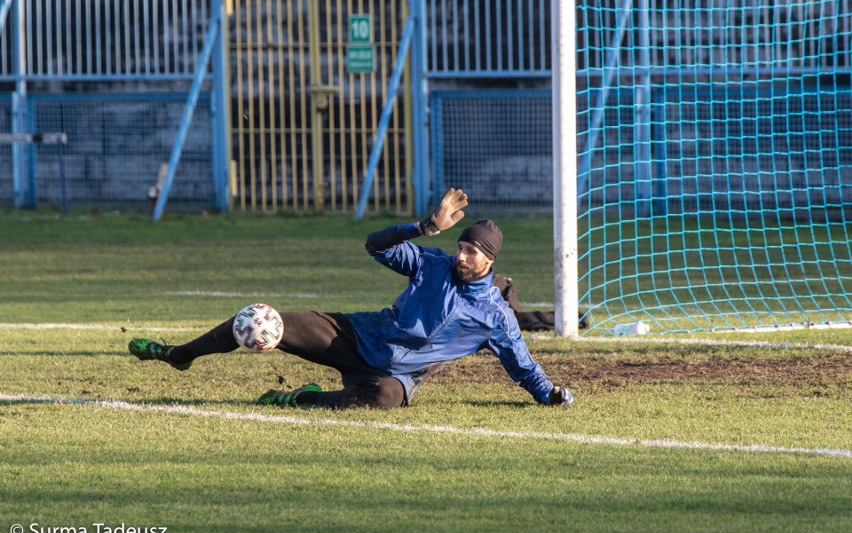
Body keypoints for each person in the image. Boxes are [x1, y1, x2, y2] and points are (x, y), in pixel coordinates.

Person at [128, 188, 574, 409]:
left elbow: (520, 361)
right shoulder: (432, 263)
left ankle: (298, 400)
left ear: (488, 260)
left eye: (471, 251)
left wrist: (548, 395)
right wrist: (423, 228)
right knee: (260, 317)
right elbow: (375, 245)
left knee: (382, 398)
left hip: (395, 374)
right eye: (460, 245)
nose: (461, 254)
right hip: (356, 335)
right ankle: (179, 354)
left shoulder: (494, 315)